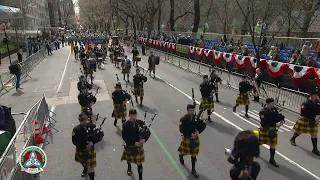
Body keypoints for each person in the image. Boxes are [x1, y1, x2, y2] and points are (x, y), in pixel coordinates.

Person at [178, 104, 206, 178]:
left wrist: (198, 131)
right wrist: (190, 134)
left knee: (193, 155)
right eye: (190, 110)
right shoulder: (183, 119)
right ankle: (181, 155)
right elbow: (181, 130)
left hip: (194, 139)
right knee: (184, 152)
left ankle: (193, 170)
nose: (192, 112)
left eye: (193, 110)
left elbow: (203, 125)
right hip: (187, 138)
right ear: (187, 110)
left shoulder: (196, 118)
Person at [290, 91, 320, 156]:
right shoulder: (305, 103)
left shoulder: (317, 102)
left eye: (317, 96)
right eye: (315, 95)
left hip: (314, 121)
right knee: (299, 131)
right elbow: (303, 113)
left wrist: (318, 116)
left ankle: (315, 149)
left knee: (314, 134)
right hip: (306, 119)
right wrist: (313, 118)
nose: (317, 97)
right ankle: (293, 139)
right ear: (311, 96)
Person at [258, 98, 285, 167]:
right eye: (272, 103)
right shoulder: (263, 112)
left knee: (273, 145)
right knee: (260, 142)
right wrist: (276, 125)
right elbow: (265, 123)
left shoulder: (274, 109)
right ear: (267, 104)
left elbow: (276, 117)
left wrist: (282, 119)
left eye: (273, 103)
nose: (273, 105)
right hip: (265, 129)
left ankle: (271, 159)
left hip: (272, 130)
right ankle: (254, 150)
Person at [121, 109, 146, 180]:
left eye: (134, 115)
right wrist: (134, 143)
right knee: (129, 159)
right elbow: (124, 137)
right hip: (130, 145)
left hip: (139, 145)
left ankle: (140, 178)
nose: (133, 117)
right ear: (129, 116)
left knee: (139, 163)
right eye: (131, 116)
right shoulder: (125, 124)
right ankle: (129, 168)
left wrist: (144, 139)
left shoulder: (140, 122)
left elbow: (147, 132)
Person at [72, 114, 97, 180]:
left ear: (87, 119)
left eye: (85, 120)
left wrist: (92, 142)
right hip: (81, 149)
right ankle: (85, 168)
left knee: (91, 167)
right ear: (79, 121)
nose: (84, 122)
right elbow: (74, 141)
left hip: (90, 149)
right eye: (82, 121)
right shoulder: (76, 130)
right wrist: (84, 146)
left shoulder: (92, 127)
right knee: (83, 162)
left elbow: (98, 136)